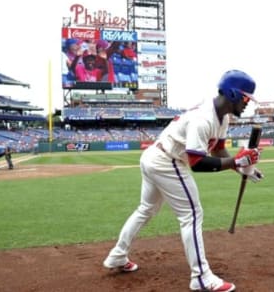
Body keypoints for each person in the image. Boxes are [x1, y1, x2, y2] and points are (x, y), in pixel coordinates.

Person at [103, 70, 264, 292]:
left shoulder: (222, 117)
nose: (248, 104)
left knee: (146, 209)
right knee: (192, 214)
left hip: (154, 157)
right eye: (246, 98)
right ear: (233, 94)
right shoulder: (203, 118)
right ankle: (200, 277)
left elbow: (218, 151)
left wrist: (243, 167)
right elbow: (197, 163)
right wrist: (236, 162)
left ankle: (117, 256)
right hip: (166, 161)